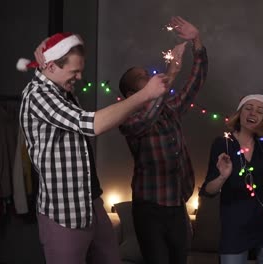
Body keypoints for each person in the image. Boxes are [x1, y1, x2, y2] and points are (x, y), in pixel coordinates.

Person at [19, 32, 169, 264]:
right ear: (50, 67)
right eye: (74, 72)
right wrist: (145, 94)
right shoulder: (38, 95)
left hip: (92, 201)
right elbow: (90, 124)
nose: (79, 77)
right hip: (64, 212)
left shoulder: (60, 88)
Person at [118, 16, 207, 264]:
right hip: (149, 209)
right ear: (131, 94)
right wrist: (171, 73)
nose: (150, 76)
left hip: (177, 207)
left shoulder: (169, 108)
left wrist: (196, 41)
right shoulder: (127, 119)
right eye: (142, 77)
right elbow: (144, 121)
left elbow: (195, 82)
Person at [200, 94, 263, 264]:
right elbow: (208, 190)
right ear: (240, 113)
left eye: (259, 111)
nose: (252, 113)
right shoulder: (223, 143)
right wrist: (222, 176)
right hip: (235, 226)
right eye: (248, 108)